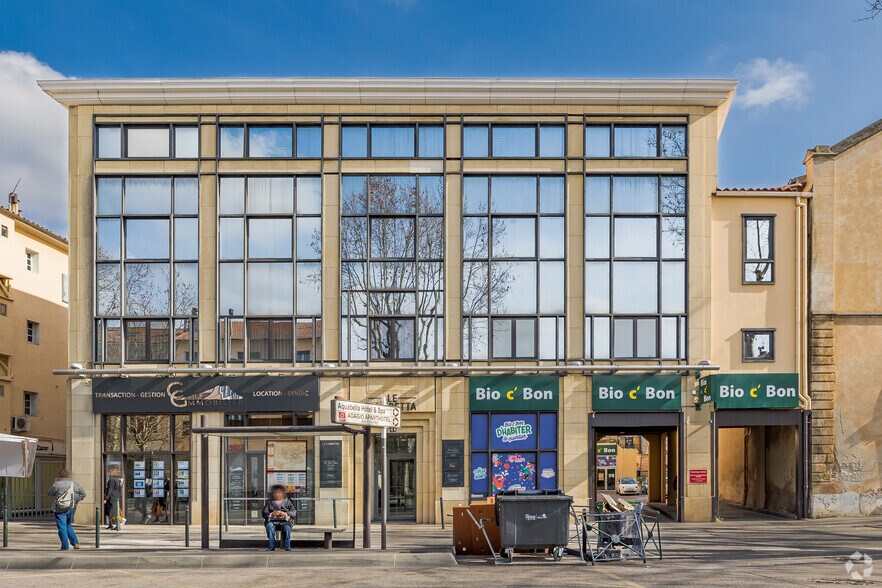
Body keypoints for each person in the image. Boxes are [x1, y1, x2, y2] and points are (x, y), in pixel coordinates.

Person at [47, 469, 86, 551]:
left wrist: (56, 482)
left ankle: (65, 546)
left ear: (59, 476)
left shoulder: (57, 484)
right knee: (68, 525)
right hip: (71, 508)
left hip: (59, 508)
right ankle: (75, 543)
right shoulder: (75, 484)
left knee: (62, 527)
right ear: (68, 476)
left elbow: (49, 493)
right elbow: (83, 494)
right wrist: (75, 501)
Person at [261, 485, 296, 552]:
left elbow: (294, 512)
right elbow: (264, 513)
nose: (277, 494)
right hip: (272, 521)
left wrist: (285, 514)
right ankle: (271, 547)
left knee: (287, 528)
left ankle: (287, 547)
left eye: (279, 492)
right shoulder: (269, 502)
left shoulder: (288, 501)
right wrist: (271, 514)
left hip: (285, 521)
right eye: (275, 493)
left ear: (283, 493)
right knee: (269, 526)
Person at [103, 465, 123, 530]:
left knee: (112, 512)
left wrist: (106, 498)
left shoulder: (112, 479)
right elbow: (120, 490)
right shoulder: (118, 480)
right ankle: (111, 524)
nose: (108, 472)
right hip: (116, 498)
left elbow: (110, 489)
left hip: (111, 498)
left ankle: (116, 525)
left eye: (109, 471)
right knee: (112, 512)